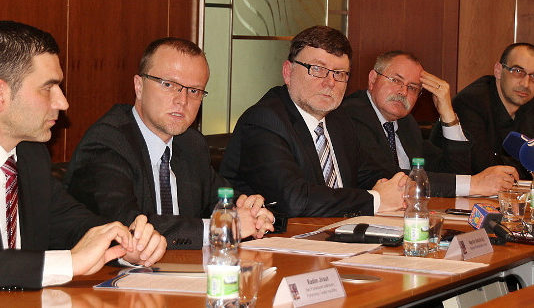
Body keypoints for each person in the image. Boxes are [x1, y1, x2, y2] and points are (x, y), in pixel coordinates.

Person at [0, 21, 166, 290]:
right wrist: (70, 262)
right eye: (48, 88)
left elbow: (71, 223)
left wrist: (124, 244)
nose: (63, 102)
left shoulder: (30, 155)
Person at [65, 38, 274, 249]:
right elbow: (127, 226)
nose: (182, 100)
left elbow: (221, 199)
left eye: (194, 91)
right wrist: (220, 228)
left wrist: (252, 211)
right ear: (139, 86)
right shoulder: (107, 142)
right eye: (168, 85)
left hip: (184, 266)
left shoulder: (190, 143)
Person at [220, 26, 407, 218]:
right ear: (288, 72)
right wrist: (376, 200)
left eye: (339, 73)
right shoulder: (264, 121)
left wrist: (403, 185)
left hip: (337, 231)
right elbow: (295, 200)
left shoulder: (339, 119)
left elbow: (370, 173)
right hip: (284, 234)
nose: (330, 82)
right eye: (317, 69)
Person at [342, 51, 519, 197]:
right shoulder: (353, 114)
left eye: (413, 87)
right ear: (373, 79)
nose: (403, 92)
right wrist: (473, 184)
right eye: (396, 80)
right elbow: (386, 177)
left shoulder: (406, 123)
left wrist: (448, 113)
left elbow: (454, 172)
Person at [451, 43, 534, 180]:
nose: (526, 84)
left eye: (533, 76)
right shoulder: (470, 102)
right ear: (498, 71)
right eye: (518, 71)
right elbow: (483, 167)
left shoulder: (530, 104)